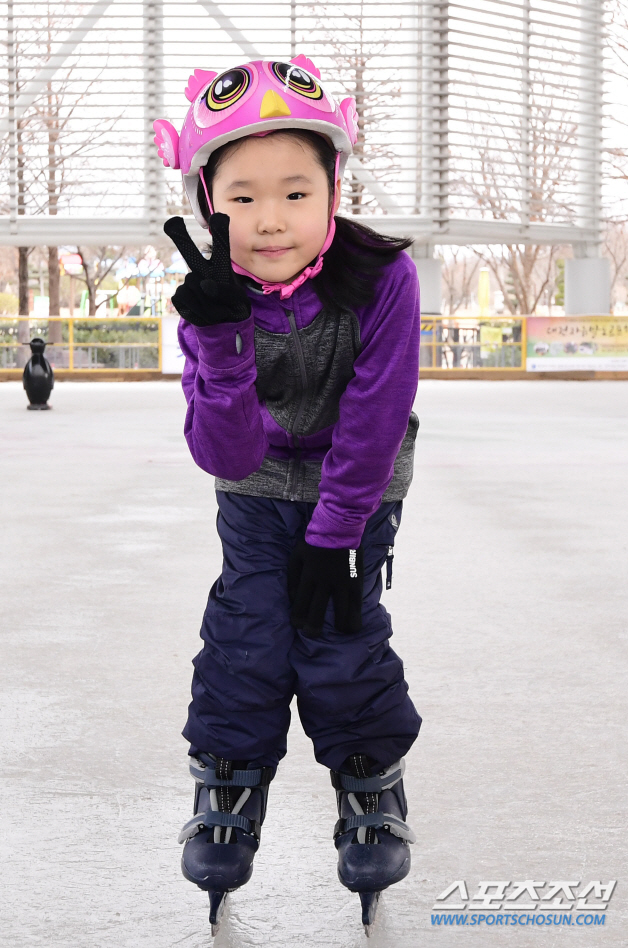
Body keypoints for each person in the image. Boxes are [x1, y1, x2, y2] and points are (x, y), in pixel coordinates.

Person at [154, 56, 423, 934]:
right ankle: (227, 780)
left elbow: (378, 411)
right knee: (249, 631)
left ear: (333, 189)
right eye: (242, 197)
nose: (270, 220)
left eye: (296, 193)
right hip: (257, 484)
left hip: (360, 483)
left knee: (338, 629)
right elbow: (221, 450)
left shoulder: (384, 278)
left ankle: (370, 781)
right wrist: (221, 336)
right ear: (208, 200)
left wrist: (337, 531)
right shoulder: (208, 297)